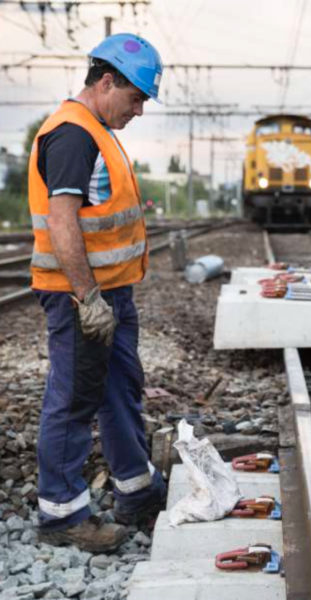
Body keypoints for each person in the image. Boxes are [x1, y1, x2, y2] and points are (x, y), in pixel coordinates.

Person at [28, 33, 165, 553]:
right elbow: (62, 220)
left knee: (119, 389)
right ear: (107, 82)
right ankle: (61, 513)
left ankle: (135, 490)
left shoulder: (96, 131)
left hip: (112, 293)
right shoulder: (72, 135)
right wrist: (88, 298)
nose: (139, 110)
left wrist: (107, 296)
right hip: (78, 297)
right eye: (136, 98)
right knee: (74, 399)